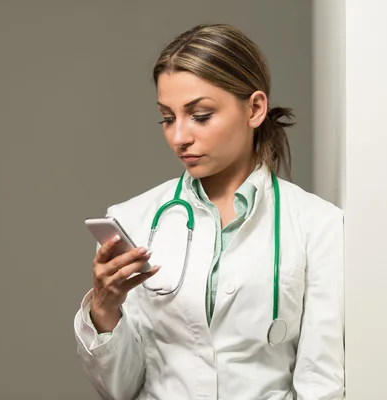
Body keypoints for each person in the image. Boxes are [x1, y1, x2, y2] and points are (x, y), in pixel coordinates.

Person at [73, 23, 345, 400]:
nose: (180, 136)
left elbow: (322, 383)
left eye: (200, 115)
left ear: (255, 108)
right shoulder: (133, 220)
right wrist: (104, 309)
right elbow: (120, 388)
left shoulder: (319, 225)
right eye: (167, 118)